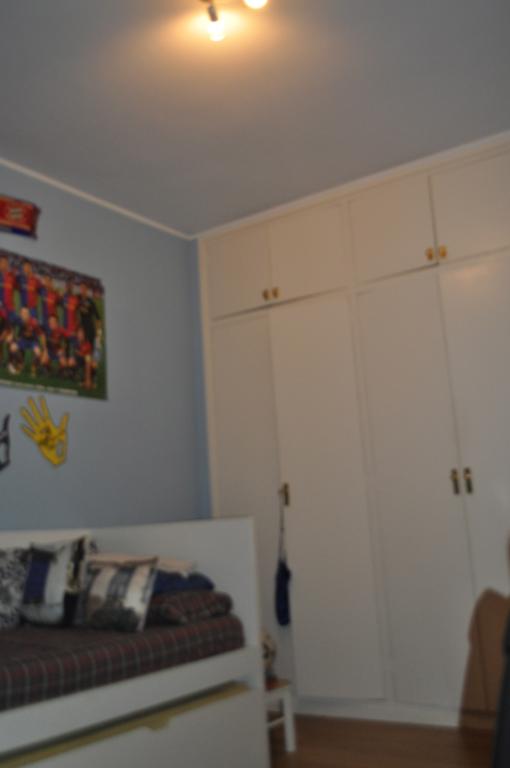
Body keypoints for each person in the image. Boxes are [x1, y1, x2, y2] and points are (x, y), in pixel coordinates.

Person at [9, 306, 43, 376]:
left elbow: (41, 334)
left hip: (33, 341)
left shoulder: (34, 322)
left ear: (29, 314)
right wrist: (12, 334)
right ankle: (20, 363)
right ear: (20, 314)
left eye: (26, 313)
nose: (24, 315)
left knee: (38, 353)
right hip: (23, 340)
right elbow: (12, 325)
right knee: (12, 348)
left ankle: (33, 368)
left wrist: (43, 346)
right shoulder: (18, 319)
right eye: (22, 313)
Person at [0, 254, 17, 322]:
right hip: (1, 306)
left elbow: (17, 286)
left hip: (10, 308)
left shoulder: (12, 276)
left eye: (6, 263)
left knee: (11, 323)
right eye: (2, 262)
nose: (4, 264)